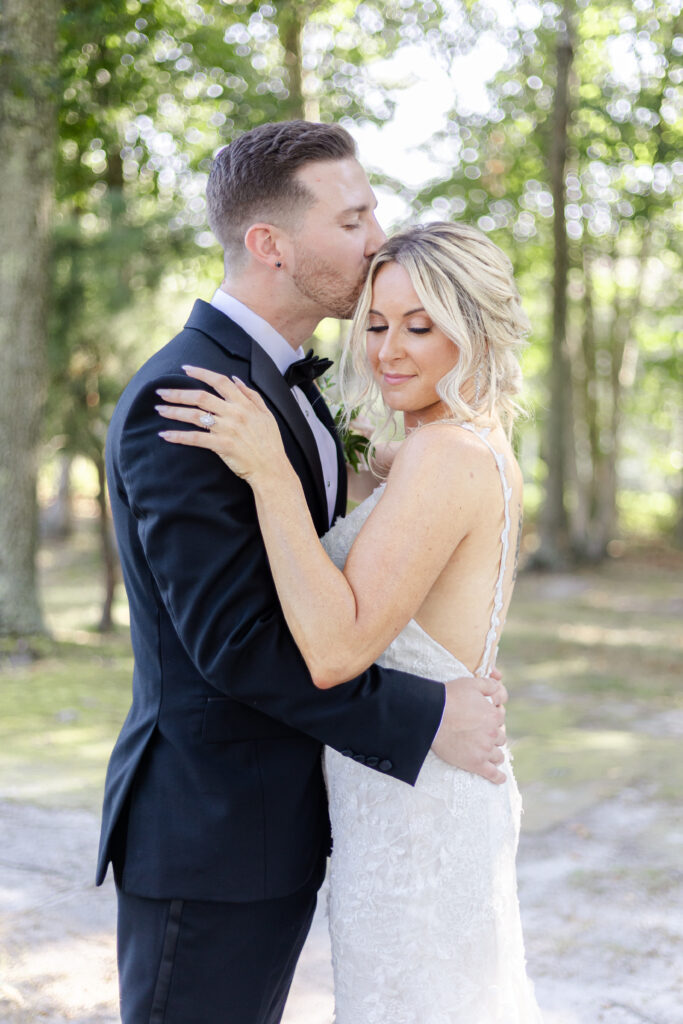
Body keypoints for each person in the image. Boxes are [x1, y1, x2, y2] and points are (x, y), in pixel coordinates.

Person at [97, 120, 508, 1024]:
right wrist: (423, 714)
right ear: (269, 245)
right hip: (210, 833)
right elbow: (235, 645)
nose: (376, 237)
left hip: (281, 825)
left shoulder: (293, 388)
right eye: (353, 217)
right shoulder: (190, 396)